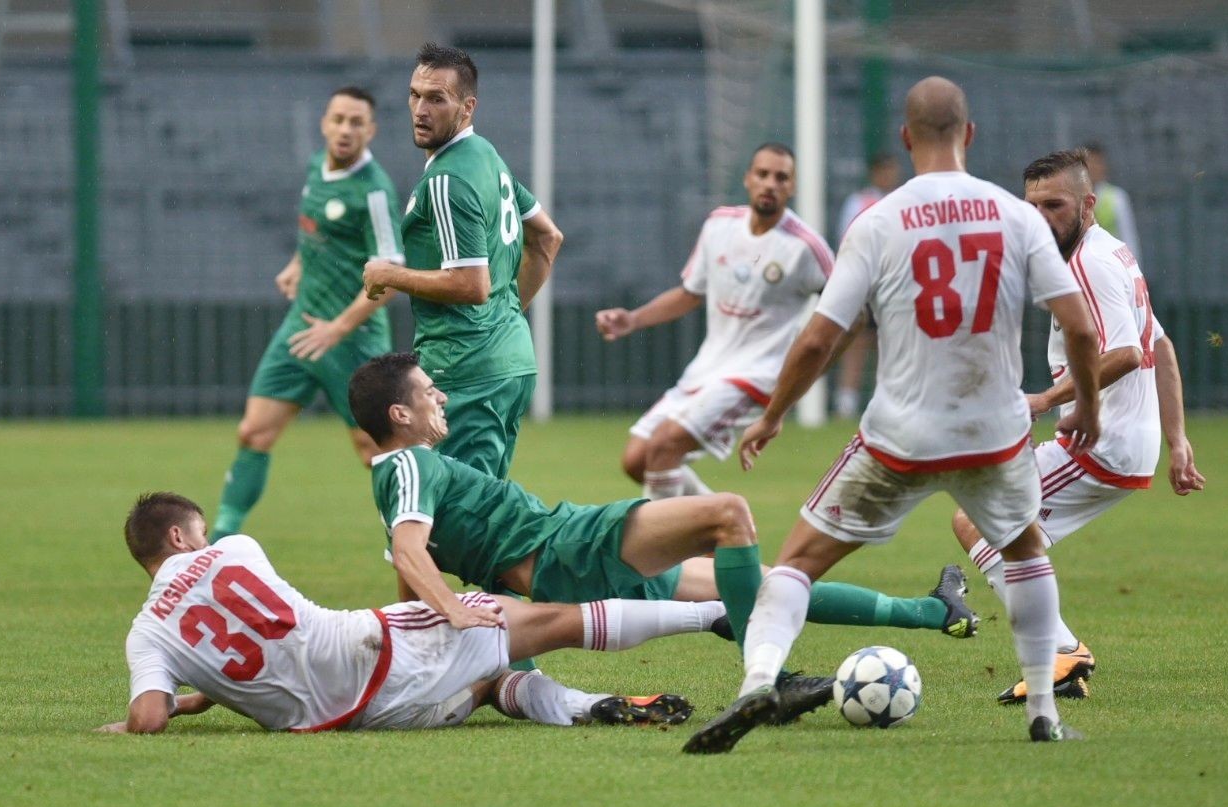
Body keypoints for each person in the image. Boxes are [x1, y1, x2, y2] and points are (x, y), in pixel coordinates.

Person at [684, 76, 1104, 754]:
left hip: (901, 437)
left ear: (906, 138)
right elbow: (1081, 332)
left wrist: (771, 415)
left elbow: (821, 336)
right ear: (969, 135)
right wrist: (1085, 404)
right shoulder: (1016, 216)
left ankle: (757, 680)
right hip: (995, 434)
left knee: (794, 562)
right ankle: (1044, 713)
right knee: (1025, 551)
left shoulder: (878, 220)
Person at [348, 352, 980, 722]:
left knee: (760, 589)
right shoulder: (407, 464)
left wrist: (444, 643)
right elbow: (410, 549)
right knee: (727, 514)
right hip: (566, 545)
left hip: (557, 560)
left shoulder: (404, 476)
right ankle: (772, 681)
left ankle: (935, 612)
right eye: (430, 392)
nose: (442, 397)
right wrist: (457, 613)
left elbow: (410, 568)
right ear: (399, 415)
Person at [99, 492, 701, 735]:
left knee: (490, 687)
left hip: (353, 721)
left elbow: (150, 717)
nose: (210, 540)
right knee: (545, 618)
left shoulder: (146, 634)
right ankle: (716, 618)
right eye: (199, 534)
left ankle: (591, 706)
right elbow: (273, 625)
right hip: (372, 648)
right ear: (179, 537)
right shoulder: (236, 548)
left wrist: (193, 698)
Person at [953, 148, 1206, 704]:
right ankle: (1058, 656)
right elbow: (1158, 344)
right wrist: (1178, 441)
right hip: (1117, 440)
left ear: (1088, 205)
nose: (1041, 216)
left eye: (1055, 204)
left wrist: (1046, 396)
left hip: (1102, 442)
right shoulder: (1114, 253)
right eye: (1032, 205)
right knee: (1010, 538)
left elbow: (1120, 354)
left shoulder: (1088, 263)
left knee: (980, 523)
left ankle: (1062, 652)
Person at [362, 43, 563, 480]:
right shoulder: (487, 156)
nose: (420, 108)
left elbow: (471, 285)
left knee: (457, 517)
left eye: (437, 98)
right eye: (415, 95)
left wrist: (387, 273)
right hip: (508, 361)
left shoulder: (447, 179)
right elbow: (547, 238)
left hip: (466, 369)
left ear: (467, 107)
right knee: (480, 508)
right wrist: (504, 319)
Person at [210, 87, 403, 542]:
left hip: (352, 338)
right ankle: (219, 542)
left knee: (372, 450)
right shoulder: (317, 166)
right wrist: (299, 264)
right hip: (302, 328)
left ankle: (412, 542)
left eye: (357, 122)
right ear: (324, 122)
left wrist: (337, 328)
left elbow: (391, 276)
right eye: (338, 119)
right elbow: (318, 233)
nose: (345, 129)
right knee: (254, 432)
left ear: (370, 131)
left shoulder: (374, 192)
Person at [595, 143, 834, 501]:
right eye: (763, 174)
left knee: (664, 447)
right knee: (637, 460)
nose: (770, 183)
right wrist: (633, 319)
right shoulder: (719, 224)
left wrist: (792, 389)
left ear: (792, 187)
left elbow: (846, 308)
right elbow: (691, 293)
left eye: (781, 177)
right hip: (707, 367)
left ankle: (658, 552)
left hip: (755, 374)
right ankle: (717, 528)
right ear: (748, 178)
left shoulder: (806, 247)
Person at [830, 152, 900, 419]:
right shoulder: (859, 202)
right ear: (876, 173)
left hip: (892, 284)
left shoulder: (901, 200)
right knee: (858, 341)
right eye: (886, 171)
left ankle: (886, 400)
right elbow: (846, 238)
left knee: (890, 343)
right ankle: (846, 401)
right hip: (866, 283)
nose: (890, 176)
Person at [1083, 142, 1141, 259]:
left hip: (1112, 262)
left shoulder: (1117, 197)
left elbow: (1128, 237)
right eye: (1090, 163)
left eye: (1098, 163)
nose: (1094, 168)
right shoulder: (1074, 199)